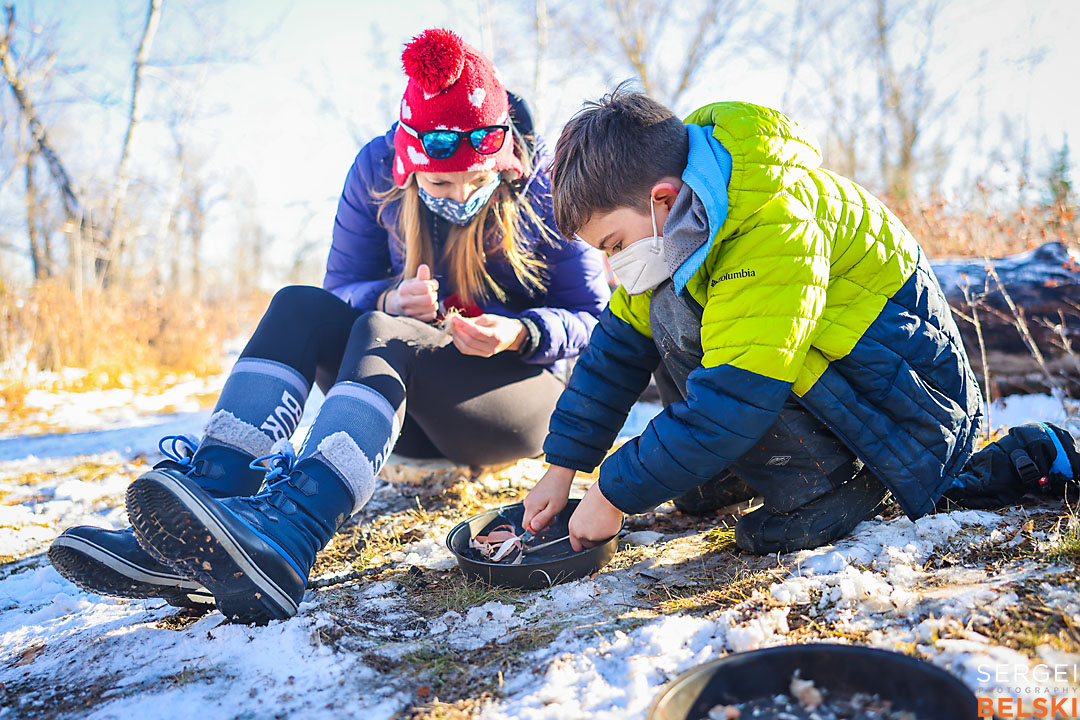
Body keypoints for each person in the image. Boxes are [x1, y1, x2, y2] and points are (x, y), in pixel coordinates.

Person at [48, 28, 609, 623]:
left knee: (380, 329)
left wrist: (518, 333)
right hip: (398, 411)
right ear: (409, 164)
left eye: (478, 179)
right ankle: (206, 514)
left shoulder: (546, 178)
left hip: (514, 402)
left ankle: (293, 534)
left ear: (504, 159)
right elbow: (339, 289)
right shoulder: (374, 166)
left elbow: (595, 319)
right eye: (441, 182)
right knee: (300, 305)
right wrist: (392, 297)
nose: (461, 195)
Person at [522, 86, 1080, 554]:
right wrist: (563, 466)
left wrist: (613, 494)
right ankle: (739, 466)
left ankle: (831, 485)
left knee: (688, 321)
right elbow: (615, 350)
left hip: (903, 411)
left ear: (661, 200)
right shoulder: (681, 229)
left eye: (614, 243)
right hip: (833, 384)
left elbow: (733, 396)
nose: (612, 263)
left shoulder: (773, 220)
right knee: (663, 309)